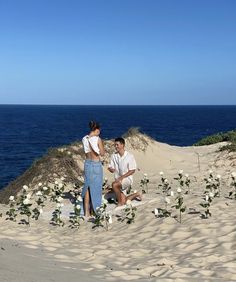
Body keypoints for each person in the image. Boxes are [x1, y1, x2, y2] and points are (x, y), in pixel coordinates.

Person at [108, 137, 142, 206]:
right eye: (115, 145)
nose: (116, 146)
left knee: (114, 185)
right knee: (125, 201)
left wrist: (122, 177)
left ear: (122, 145)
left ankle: (119, 203)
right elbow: (110, 167)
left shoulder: (129, 156)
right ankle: (137, 194)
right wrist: (111, 169)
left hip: (127, 179)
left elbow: (132, 170)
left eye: (117, 145)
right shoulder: (114, 156)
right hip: (118, 180)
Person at [81, 121, 105, 217]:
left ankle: (87, 212)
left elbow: (86, 152)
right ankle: (96, 211)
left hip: (87, 163)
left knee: (87, 187)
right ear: (97, 130)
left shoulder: (84, 139)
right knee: (97, 188)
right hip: (95, 164)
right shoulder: (97, 139)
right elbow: (102, 153)